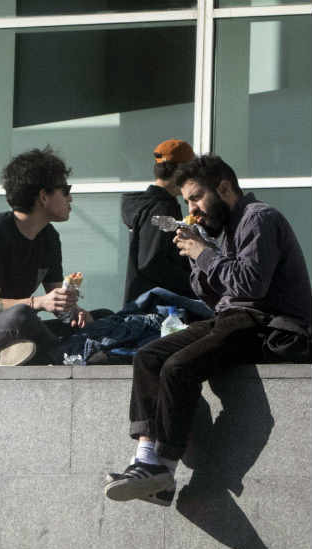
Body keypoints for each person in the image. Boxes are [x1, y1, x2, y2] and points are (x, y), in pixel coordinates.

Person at [104, 154, 310, 505]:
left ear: (224, 188)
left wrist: (204, 253)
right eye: (187, 201)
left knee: (179, 366)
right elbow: (216, 297)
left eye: (197, 197)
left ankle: (164, 471)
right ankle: (145, 460)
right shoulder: (224, 228)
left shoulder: (259, 219)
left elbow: (250, 285)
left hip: (271, 324)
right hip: (234, 318)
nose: (193, 208)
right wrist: (195, 255)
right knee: (149, 356)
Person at [0, 147, 87, 366]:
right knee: (22, 316)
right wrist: (40, 302)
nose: (71, 198)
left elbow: (56, 303)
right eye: (65, 190)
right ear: (43, 196)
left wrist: (74, 311)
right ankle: (68, 355)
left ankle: (47, 352)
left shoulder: (49, 237)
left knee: (101, 317)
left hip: (21, 330)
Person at [120, 139, 196, 303]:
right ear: (178, 173)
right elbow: (152, 262)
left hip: (145, 302)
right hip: (156, 307)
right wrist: (194, 283)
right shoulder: (161, 209)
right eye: (191, 172)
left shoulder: (152, 205)